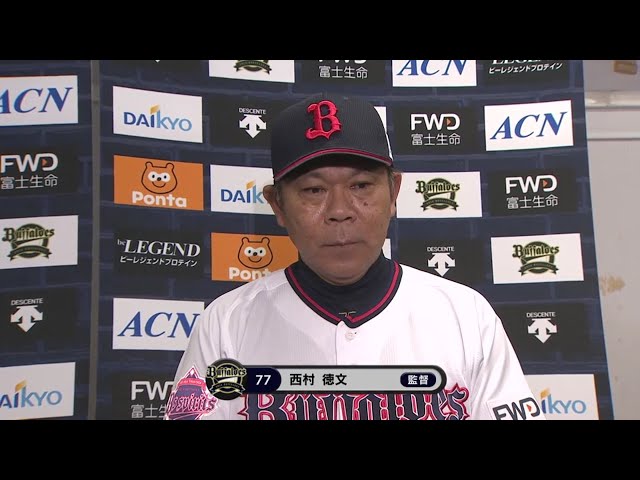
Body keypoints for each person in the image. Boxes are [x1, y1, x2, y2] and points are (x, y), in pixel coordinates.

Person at [164, 93, 544, 420]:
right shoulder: (227, 325)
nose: (340, 210)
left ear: (394, 193)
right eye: (314, 190)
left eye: (361, 185)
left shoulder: (465, 316)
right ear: (277, 204)